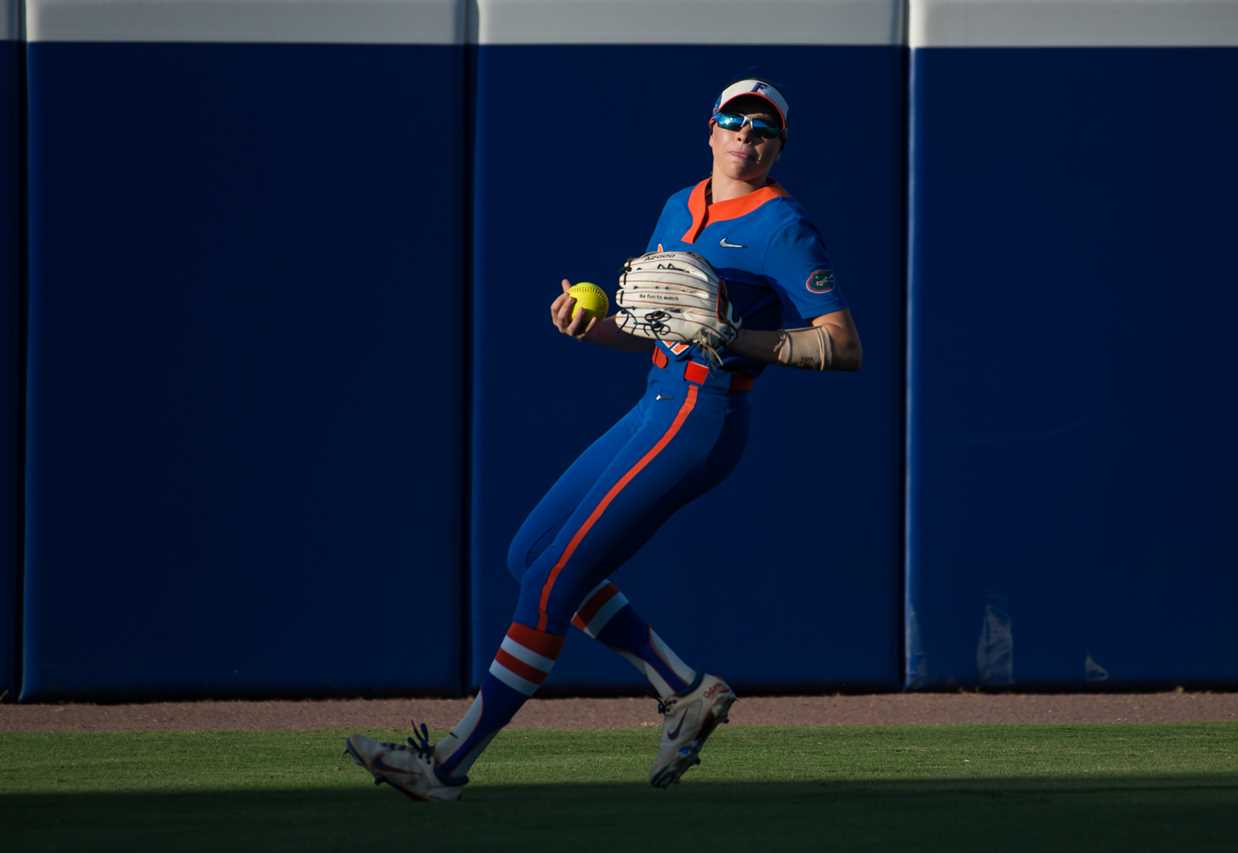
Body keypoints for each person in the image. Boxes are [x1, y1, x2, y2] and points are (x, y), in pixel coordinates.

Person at [345, 78, 863, 801]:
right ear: (709, 130)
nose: (747, 137)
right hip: (655, 401)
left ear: (779, 146)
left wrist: (734, 335)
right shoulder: (679, 205)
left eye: (764, 129)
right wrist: (596, 328)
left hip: (702, 416)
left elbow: (843, 346)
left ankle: (446, 765)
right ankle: (684, 690)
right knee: (527, 554)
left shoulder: (784, 226)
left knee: (552, 581)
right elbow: (660, 329)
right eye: (735, 122)